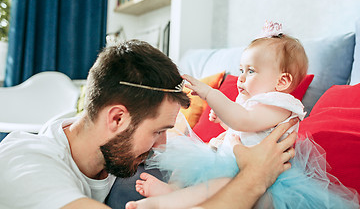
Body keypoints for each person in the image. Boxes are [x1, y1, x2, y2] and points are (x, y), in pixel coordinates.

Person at [0, 39, 297, 209]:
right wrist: (255, 176)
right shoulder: (25, 164)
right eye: (158, 132)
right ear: (117, 118)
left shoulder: (124, 150)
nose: (163, 146)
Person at [127, 24, 359, 209]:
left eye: (251, 71)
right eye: (240, 70)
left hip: (262, 175)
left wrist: (210, 93)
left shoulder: (282, 105)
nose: (241, 78)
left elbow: (245, 121)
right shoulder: (251, 102)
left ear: (282, 81)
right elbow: (242, 123)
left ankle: (161, 203)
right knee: (188, 162)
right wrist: (224, 120)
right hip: (230, 158)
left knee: (219, 186)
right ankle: (173, 189)